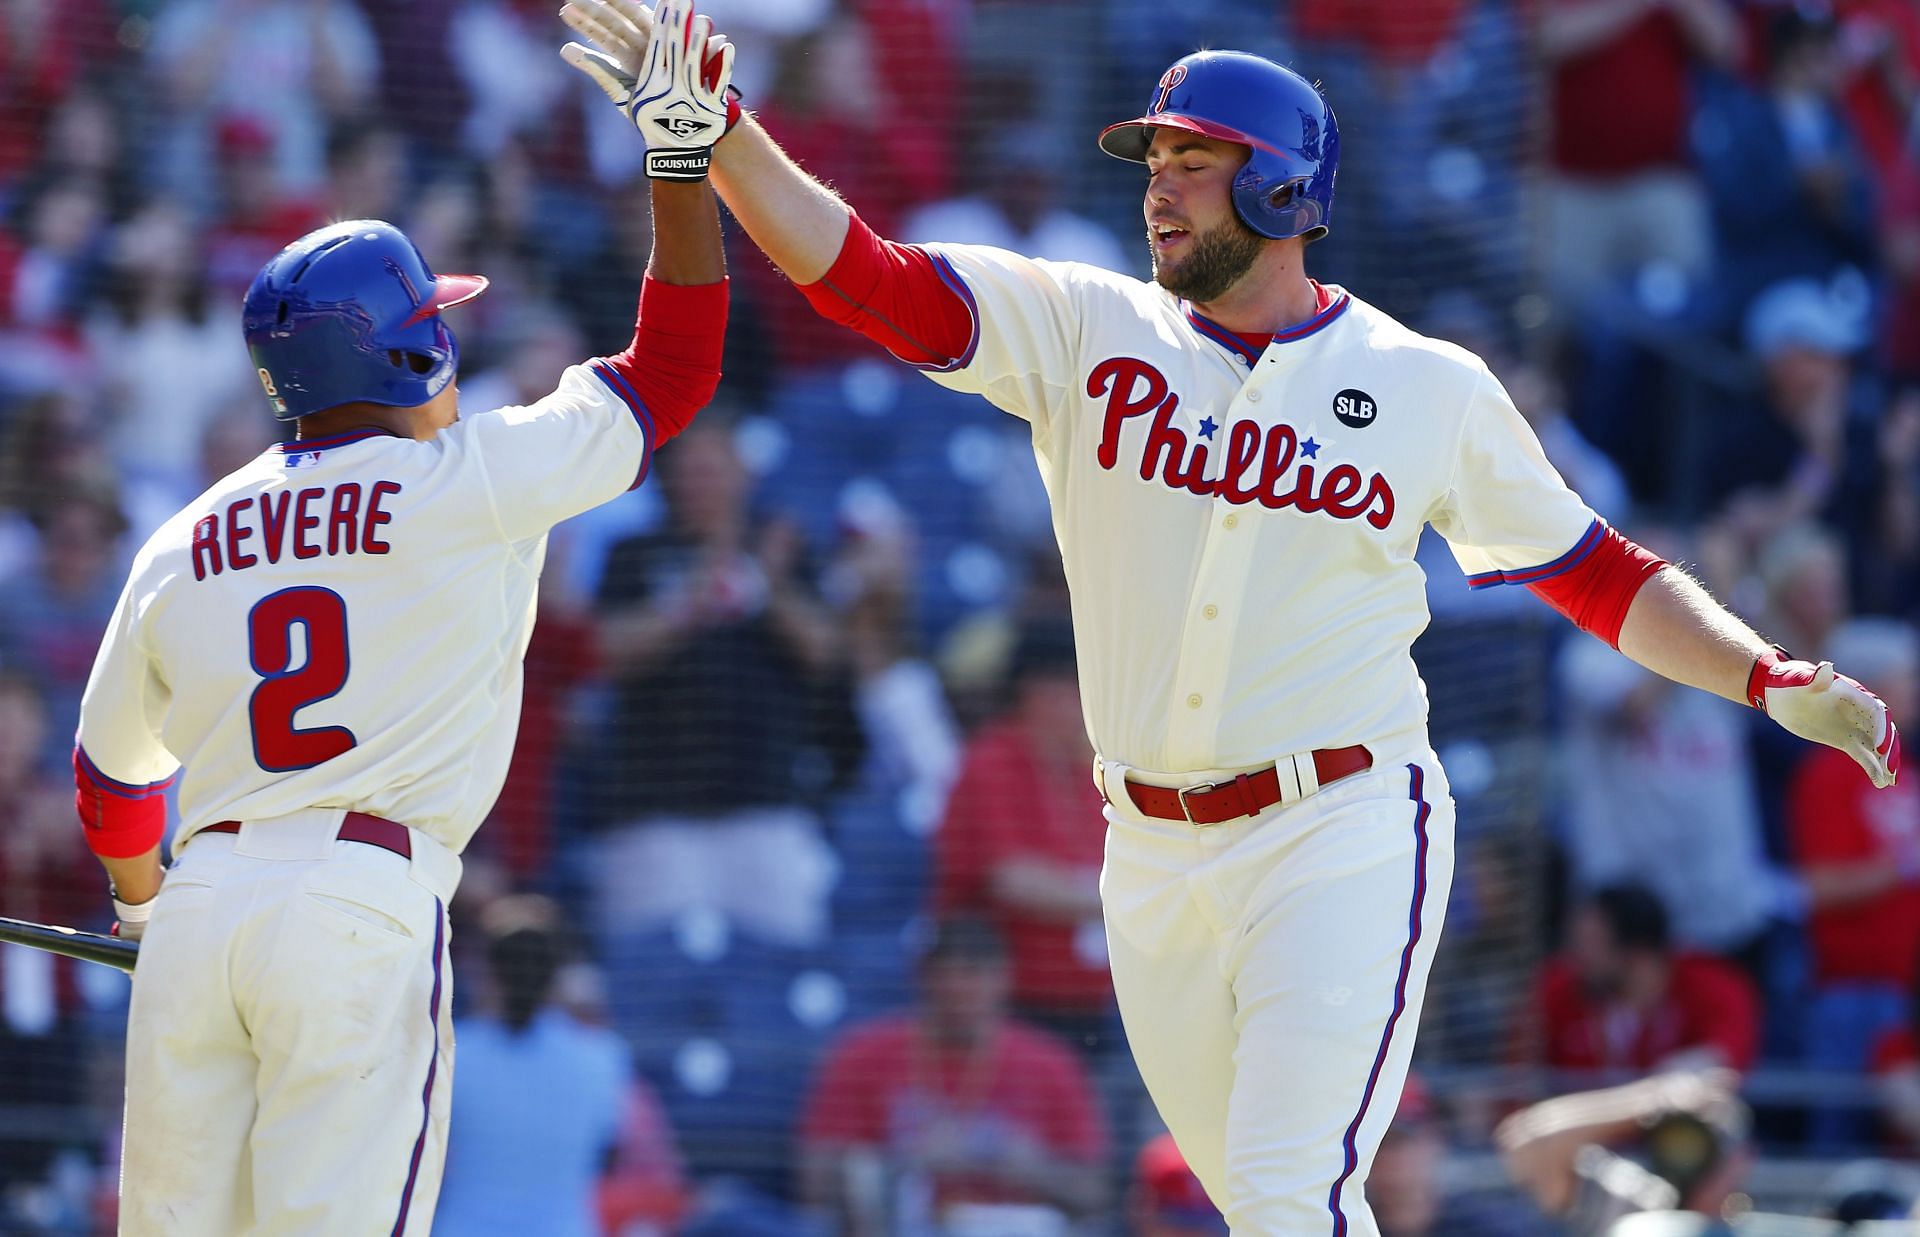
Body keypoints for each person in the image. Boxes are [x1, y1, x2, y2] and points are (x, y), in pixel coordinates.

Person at [573, 5, 1899, 1229]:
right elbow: (862, 274)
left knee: (1282, 1192)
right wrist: (724, 139)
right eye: (1152, 161)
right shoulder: (1090, 326)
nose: (1157, 187)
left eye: (1193, 162)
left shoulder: (1419, 382)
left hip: (1342, 825)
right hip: (1150, 855)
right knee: (1277, 1207)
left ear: (1283, 187)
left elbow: (1596, 572)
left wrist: (1762, 673)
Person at [69, 5, 734, 1229]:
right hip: (357, 906)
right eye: (438, 326)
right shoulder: (473, 475)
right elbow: (679, 364)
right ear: (409, 358)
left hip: (199, 912)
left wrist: (144, 909)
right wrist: (681, 161)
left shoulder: (187, 530)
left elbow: (112, 783)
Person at [796, 916, 1109, 1236]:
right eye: (946, 978)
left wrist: (1031, 1168)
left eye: (972, 977)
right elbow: (814, 1181)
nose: (958, 994)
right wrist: (899, 1164)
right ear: (924, 979)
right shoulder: (863, 1055)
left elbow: (1094, 1192)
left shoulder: (1051, 1064)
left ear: (1002, 979)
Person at [436, 894, 680, 1237]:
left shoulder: (450, 1052)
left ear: (487, 970)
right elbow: (609, 1152)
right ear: (559, 971)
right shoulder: (603, 1057)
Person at [1518, 885, 1760, 1075]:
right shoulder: (1557, 986)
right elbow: (1516, 1073)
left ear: (1638, 954)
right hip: (1577, 1133)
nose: (1577, 956)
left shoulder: (1713, 986)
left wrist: (1685, 1074)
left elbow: (1724, 1057)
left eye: (1592, 944)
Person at [1497, 1070, 1753, 1236]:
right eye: (1678, 1140)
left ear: (1741, 1161)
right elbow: (1527, 1144)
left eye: (1706, 1146)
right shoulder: (1641, 1209)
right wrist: (1648, 1101)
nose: (1689, 1157)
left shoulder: (1756, 1227)